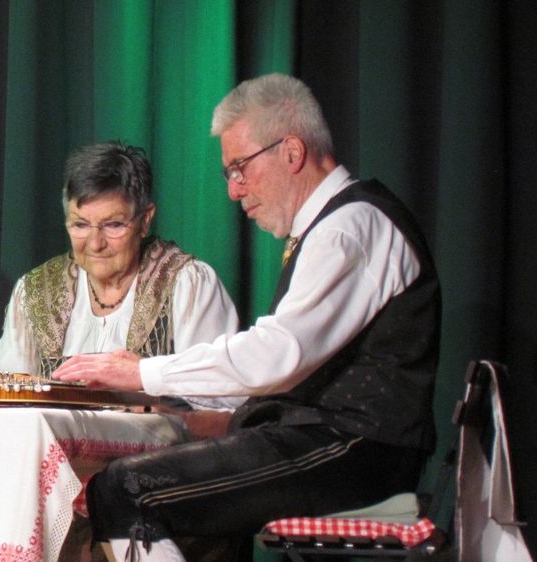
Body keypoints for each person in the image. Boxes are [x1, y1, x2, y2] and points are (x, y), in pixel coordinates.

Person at [54, 73, 441, 561]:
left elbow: (278, 355)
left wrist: (141, 371)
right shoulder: (336, 226)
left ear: (292, 152)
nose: (235, 191)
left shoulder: (349, 229)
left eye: (240, 168)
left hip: (355, 451)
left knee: (127, 490)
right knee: (140, 481)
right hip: (339, 445)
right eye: (228, 173)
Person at [0, 141, 242, 415]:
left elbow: (220, 408)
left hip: (159, 455)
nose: (95, 244)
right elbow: (7, 403)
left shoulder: (187, 284)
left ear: (145, 221)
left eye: (114, 225)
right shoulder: (35, 292)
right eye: (80, 225)